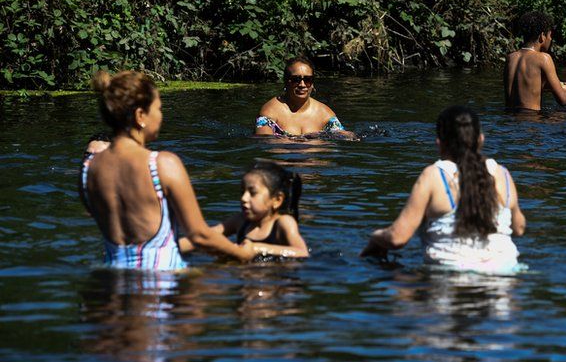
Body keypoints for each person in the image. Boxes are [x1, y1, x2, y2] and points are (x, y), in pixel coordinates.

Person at [80, 70, 255, 269]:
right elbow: (199, 236)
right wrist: (242, 254)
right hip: (162, 287)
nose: (161, 117)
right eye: (159, 109)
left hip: (111, 284)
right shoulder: (162, 164)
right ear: (140, 115)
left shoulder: (89, 169)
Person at [361, 106, 526, 275]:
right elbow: (519, 228)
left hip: (448, 279)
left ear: (439, 143)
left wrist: (375, 237)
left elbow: (397, 238)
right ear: (481, 139)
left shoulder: (433, 175)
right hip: (505, 276)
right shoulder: (502, 174)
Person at [180, 162, 309, 258]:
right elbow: (205, 237)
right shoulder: (240, 221)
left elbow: (302, 253)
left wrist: (258, 248)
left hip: (273, 280)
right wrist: (170, 247)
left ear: (277, 200)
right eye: (243, 192)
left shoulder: (283, 223)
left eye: (252, 193)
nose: (244, 198)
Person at [504, 11, 566, 110]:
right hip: (531, 121)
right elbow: (563, 99)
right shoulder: (543, 58)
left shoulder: (511, 58)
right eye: (550, 36)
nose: (550, 39)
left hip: (511, 119)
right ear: (542, 36)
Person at [255, 55, 358, 139]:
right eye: (296, 79)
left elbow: (346, 137)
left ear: (312, 83)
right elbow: (265, 140)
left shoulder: (324, 114)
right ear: (286, 81)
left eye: (308, 80)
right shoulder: (270, 111)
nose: (302, 85)